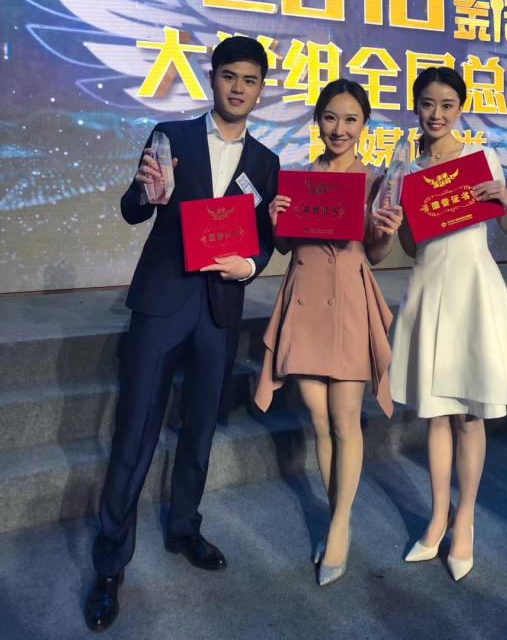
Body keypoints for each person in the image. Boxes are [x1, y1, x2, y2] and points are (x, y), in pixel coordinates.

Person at [84, 36, 279, 631]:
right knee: (134, 431)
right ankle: (110, 565)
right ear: (212, 78)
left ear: (261, 88)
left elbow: (265, 239)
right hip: (163, 302)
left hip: (220, 307)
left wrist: (251, 266)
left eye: (250, 79)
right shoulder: (170, 136)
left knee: (199, 429)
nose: (239, 87)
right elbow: (132, 208)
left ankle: (183, 527)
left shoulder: (265, 162)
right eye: (229, 75)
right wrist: (147, 194)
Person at [390, 66, 507, 582]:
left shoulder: (480, 159)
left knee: (470, 416)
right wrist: (397, 218)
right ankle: (438, 517)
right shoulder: (407, 169)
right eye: (428, 104)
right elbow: (411, 246)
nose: (437, 114)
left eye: (447, 105)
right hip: (430, 286)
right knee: (436, 415)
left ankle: (466, 518)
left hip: (473, 288)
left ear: (460, 108)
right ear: (416, 106)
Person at [255, 78, 403, 587]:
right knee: (318, 420)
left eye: (350, 119)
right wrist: (274, 219)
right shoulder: (298, 179)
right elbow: (284, 245)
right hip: (305, 298)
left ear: (364, 125)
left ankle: (338, 524)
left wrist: (384, 232)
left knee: (345, 420)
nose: (339, 128)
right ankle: (338, 513)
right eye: (330, 117)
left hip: (349, 304)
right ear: (317, 120)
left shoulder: (376, 182)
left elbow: (375, 254)